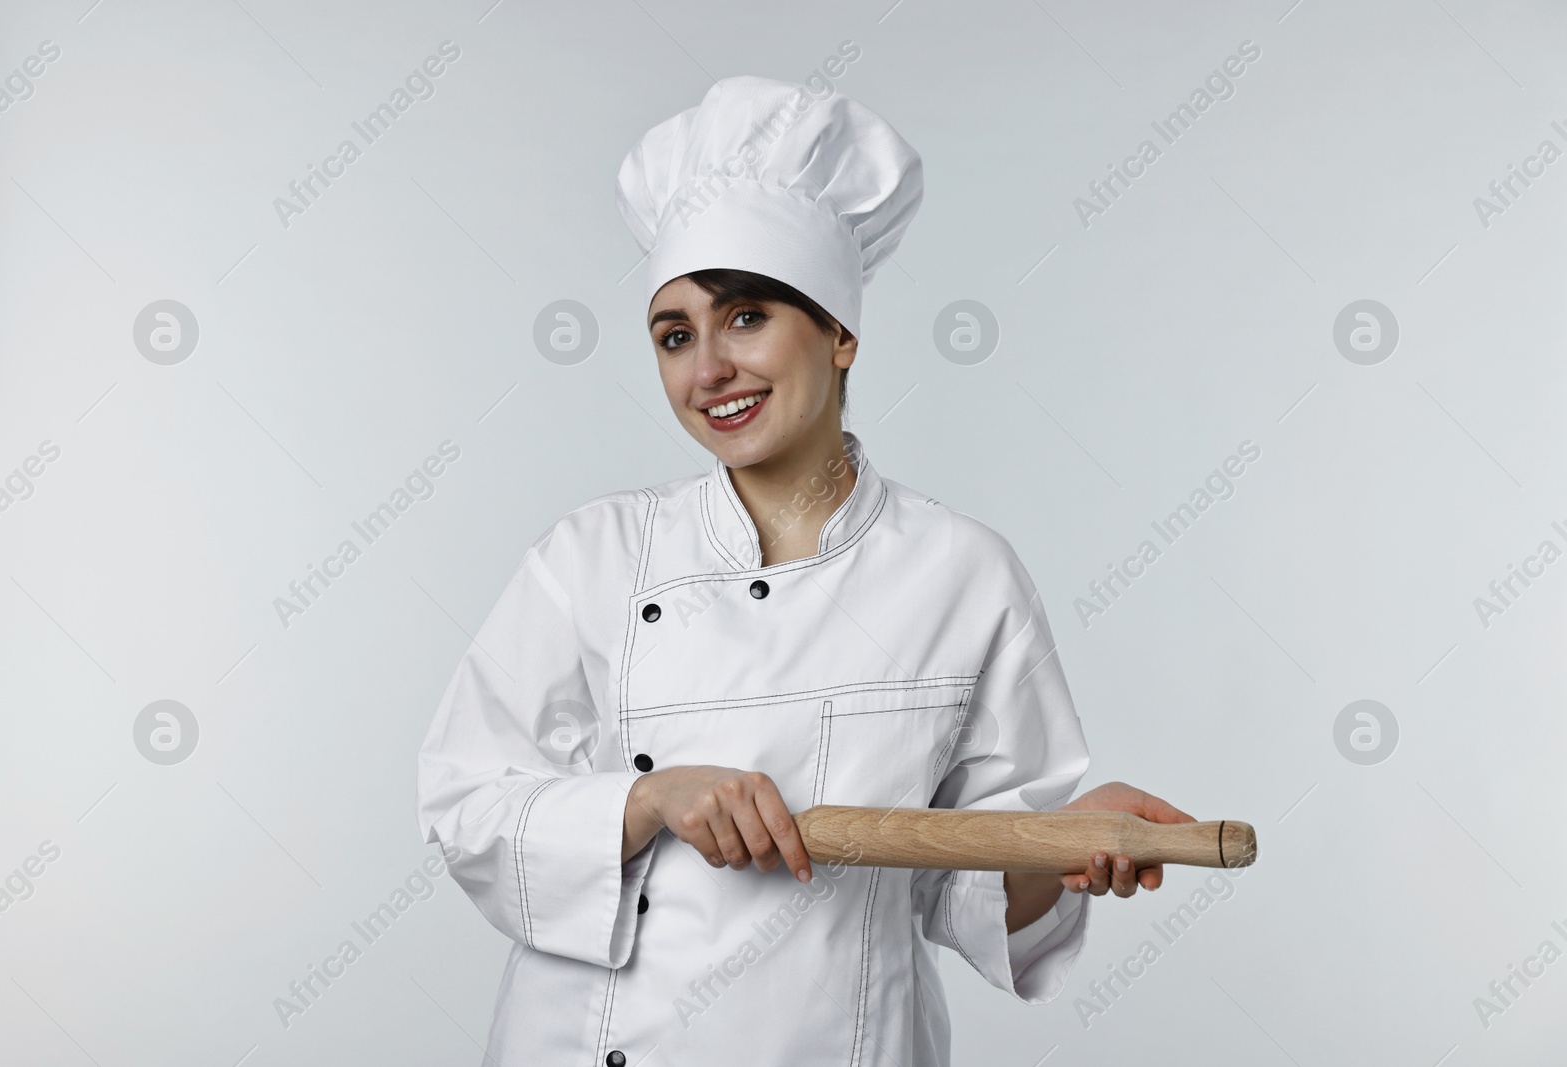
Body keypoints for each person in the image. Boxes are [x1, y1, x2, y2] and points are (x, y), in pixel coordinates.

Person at [416, 74, 1196, 1065]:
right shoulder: (592, 555)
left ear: (838, 330)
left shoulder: (962, 573)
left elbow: (959, 883)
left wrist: (1063, 847)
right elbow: (464, 806)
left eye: (745, 317)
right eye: (674, 335)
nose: (707, 371)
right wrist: (646, 800)